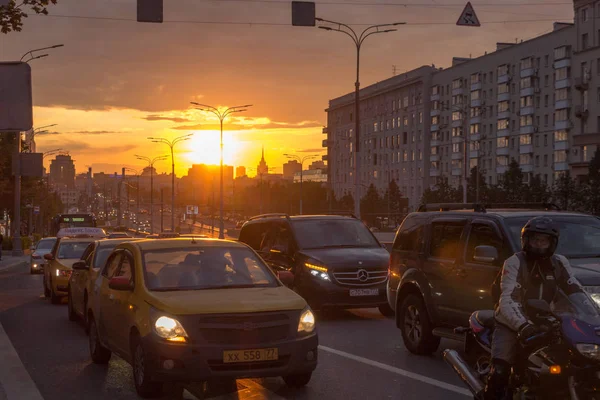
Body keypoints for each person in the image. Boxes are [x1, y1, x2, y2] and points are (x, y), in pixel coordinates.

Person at [484, 216, 585, 400]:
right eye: (535, 239)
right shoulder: (514, 262)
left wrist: (592, 314)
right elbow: (507, 298)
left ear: (551, 242)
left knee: (574, 361)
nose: (539, 244)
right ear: (526, 240)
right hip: (511, 323)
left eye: (544, 240)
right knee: (500, 370)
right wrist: (523, 325)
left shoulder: (559, 262)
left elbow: (576, 290)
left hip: (547, 321)